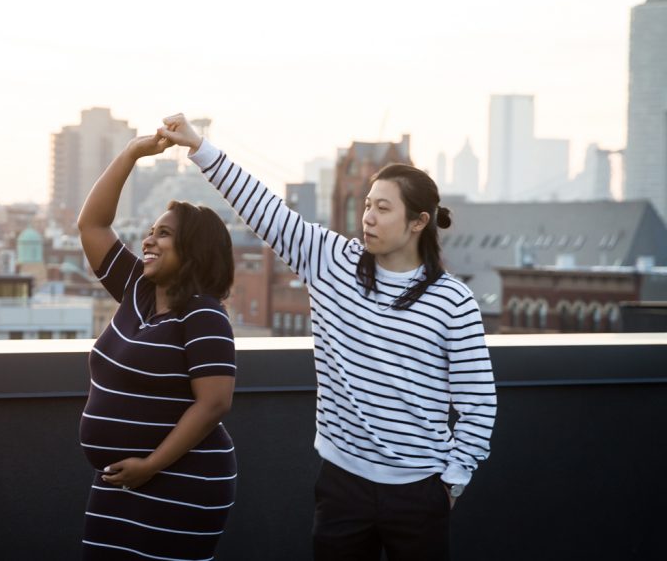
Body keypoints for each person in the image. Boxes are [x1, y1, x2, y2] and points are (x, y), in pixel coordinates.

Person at [158, 114, 496, 561]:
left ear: (419, 222)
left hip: (419, 493)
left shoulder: (452, 300)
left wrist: (453, 480)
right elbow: (264, 209)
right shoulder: (330, 260)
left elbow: (478, 400)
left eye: (383, 208)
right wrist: (200, 147)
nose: (368, 218)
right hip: (341, 485)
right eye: (367, 205)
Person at [77, 132, 238, 560]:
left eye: (163, 234)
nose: (148, 240)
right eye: (150, 231)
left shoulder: (202, 314)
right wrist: (131, 152)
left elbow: (214, 404)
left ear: (193, 251)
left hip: (181, 482)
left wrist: (150, 466)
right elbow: (91, 225)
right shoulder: (137, 290)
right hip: (121, 482)